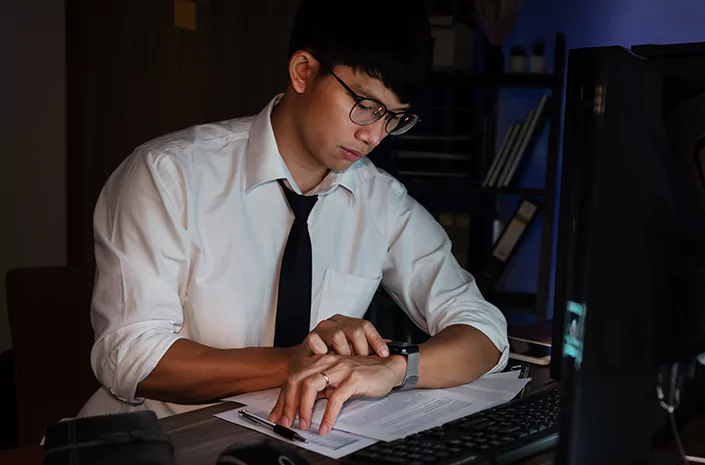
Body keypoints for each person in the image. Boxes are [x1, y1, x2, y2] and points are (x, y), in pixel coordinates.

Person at [78, 0, 509, 437]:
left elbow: (485, 330)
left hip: (301, 446)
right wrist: (295, 361)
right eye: (365, 104)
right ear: (303, 71)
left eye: (394, 118)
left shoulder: (382, 202)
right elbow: (131, 356)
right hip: (157, 440)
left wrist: (395, 369)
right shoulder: (168, 175)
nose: (374, 135)